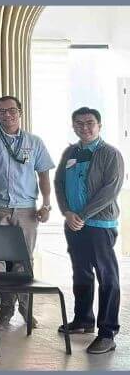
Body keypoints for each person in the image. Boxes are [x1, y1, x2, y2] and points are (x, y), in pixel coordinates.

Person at [0, 95, 54, 328]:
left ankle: (25, 309)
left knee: (24, 261)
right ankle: (6, 310)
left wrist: (47, 204)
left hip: (26, 210)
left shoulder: (35, 142)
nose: (6, 115)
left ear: (20, 112)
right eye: (1, 111)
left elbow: (44, 175)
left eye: (11, 110)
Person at [54, 107, 125, 354]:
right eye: (79, 123)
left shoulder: (110, 154)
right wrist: (67, 212)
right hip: (74, 224)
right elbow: (59, 183)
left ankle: (108, 332)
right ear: (73, 126)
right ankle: (83, 319)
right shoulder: (71, 152)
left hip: (99, 226)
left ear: (99, 125)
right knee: (81, 273)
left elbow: (110, 191)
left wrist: (82, 215)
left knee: (108, 277)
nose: (85, 127)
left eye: (90, 123)